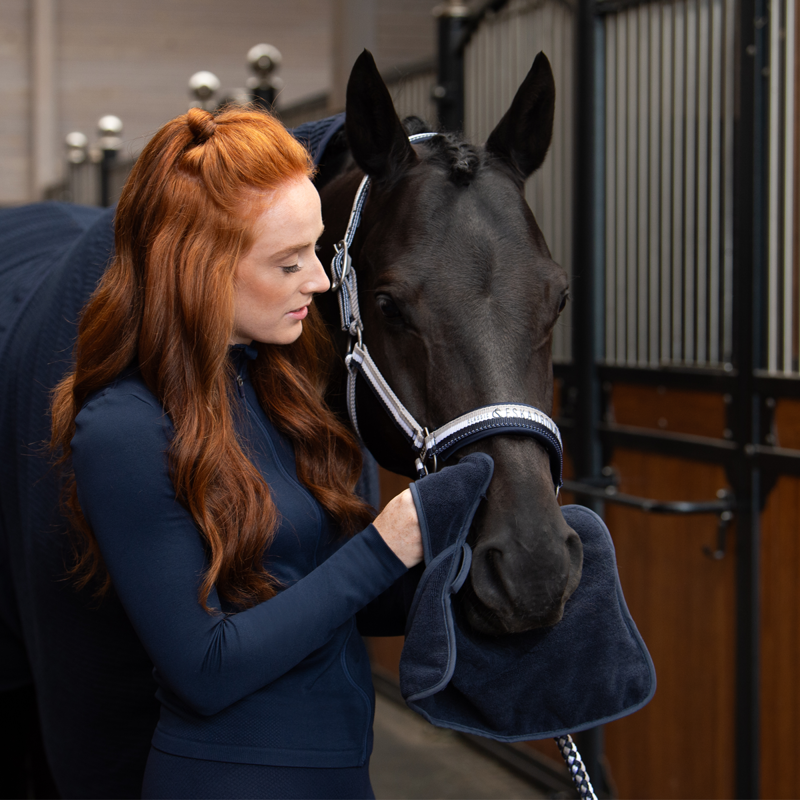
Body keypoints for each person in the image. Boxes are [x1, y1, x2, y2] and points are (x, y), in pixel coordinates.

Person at [49, 105, 426, 800]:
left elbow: (349, 602)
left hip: (339, 771)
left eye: (316, 250)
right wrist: (386, 544)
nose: (318, 280)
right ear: (199, 269)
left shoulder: (283, 389)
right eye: (288, 262)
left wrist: (467, 548)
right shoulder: (124, 429)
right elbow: (205, 666)